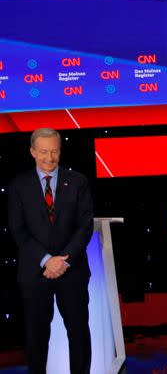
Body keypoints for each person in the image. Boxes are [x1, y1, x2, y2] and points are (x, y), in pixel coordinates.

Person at [8, 128, 93, 374]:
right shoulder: (18, 185)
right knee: (36, 336)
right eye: (43, 151)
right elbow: (18, 229)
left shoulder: (78, 181)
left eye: (54, 151)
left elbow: (84, 226)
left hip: (72, 270)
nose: (49, 157)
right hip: (35, 273)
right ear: (32, 151)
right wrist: (46, 260)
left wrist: (63, 261)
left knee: (78, 333)